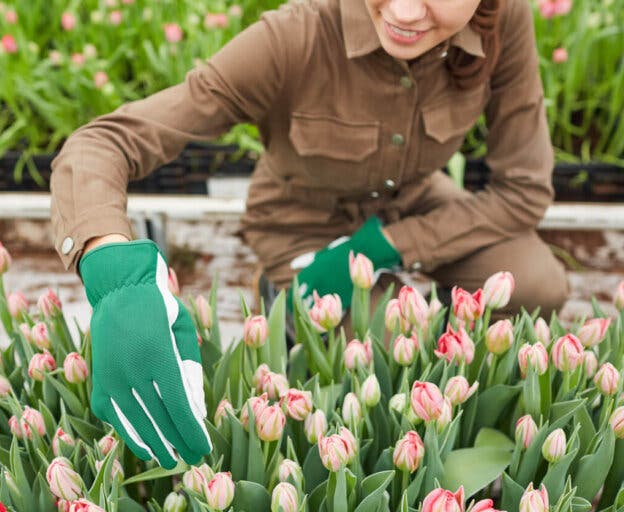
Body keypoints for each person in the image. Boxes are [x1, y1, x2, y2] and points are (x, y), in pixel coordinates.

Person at [49, 0, 570, 468]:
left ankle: (435, 349)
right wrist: (114, 273)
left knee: (537, 284)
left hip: (410, 202)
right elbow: (106, 142)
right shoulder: (294, 36)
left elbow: (523, 189)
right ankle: (286, 294)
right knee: (391, 355)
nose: (406, 12)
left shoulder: (501, 18)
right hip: (302, 223)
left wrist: (385, 246)